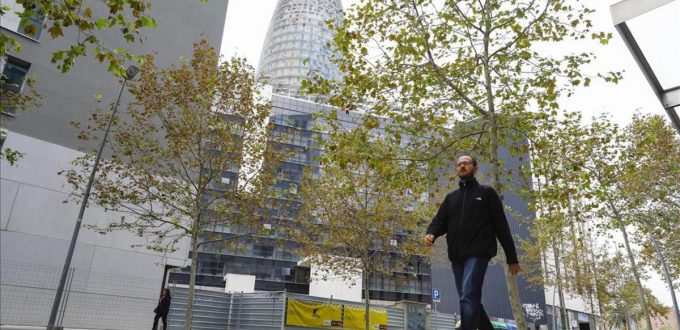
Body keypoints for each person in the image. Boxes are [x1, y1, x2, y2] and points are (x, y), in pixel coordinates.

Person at [425, 155, 521, 330]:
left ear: (475, 168)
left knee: (468, 295)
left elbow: (501, 226)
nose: (462, 166)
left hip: (478, 253)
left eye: (466, 163)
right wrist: (431, 233)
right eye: (459, 164)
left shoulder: (487, 193)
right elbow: (440, 221)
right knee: (470, 298)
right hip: (457, 256)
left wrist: (511, 258)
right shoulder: (451, 197)